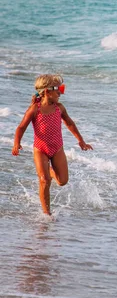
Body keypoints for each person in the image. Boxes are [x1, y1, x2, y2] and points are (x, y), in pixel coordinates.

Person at [12, 74, 93, 216]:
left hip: (57, 148)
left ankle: (49, 170)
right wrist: (16, 143)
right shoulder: (34, 109)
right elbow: (21, 127)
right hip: (40, 149)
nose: (61, 92)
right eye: (58, 89)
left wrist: (81, 141)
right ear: (47, 91)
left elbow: (70, 123)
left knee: (62, 181)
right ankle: (47, 214)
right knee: (44, 181)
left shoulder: (59, 108)